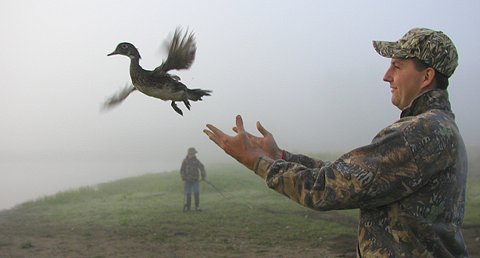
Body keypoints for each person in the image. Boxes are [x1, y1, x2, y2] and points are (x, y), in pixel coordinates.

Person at [203, 28, 468, 257]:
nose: (386, 76)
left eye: (397, 66)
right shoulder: (439, 128)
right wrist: (280, 156)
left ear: (426, 76)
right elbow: (348, 173)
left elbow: (328, 188)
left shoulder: (420, 133)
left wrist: (255, 161)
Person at [180, 147, 206, 212]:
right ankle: (188, 207)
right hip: (187, 180)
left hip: (195, 180)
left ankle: (197, 207)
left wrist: (203, 176)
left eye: (194, 153)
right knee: (188, 193)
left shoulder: (196, 160)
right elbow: (182, 170)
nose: (194, 155)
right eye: (193, 153)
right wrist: (183, 177)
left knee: (196, 193)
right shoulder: (185, 161)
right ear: (189, 153)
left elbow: (201, 167)